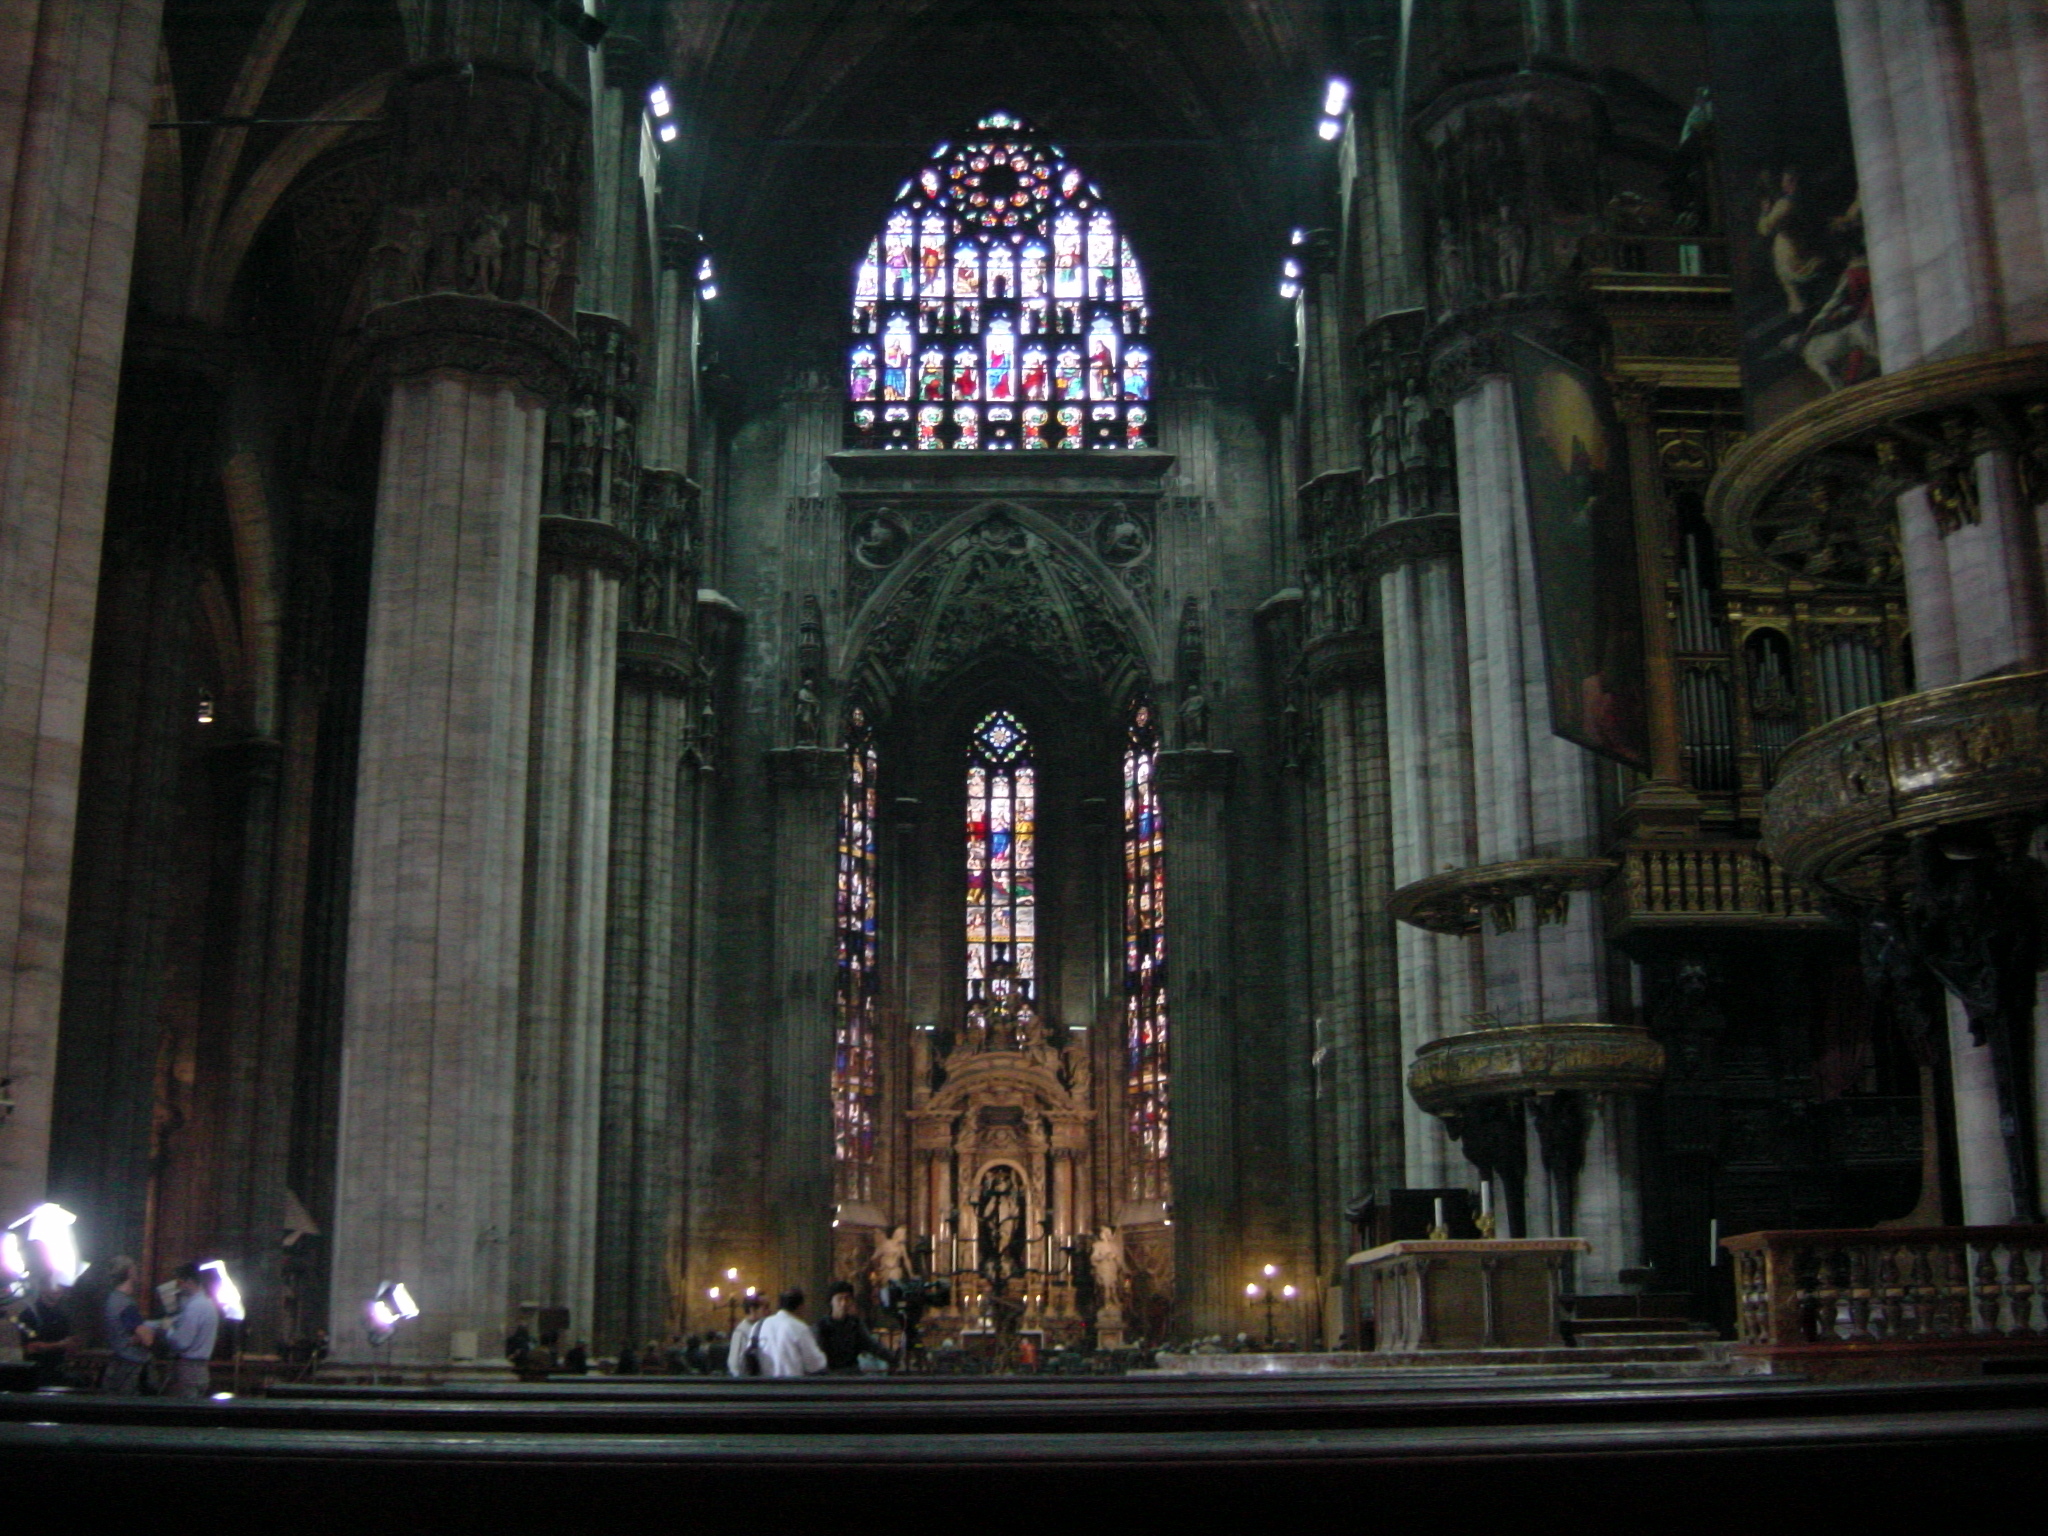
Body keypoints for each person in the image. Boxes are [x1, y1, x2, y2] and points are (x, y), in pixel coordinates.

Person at [157, 1260, 221, 1399]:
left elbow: (182, 1342)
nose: (178, 1286)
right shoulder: (207, 1303)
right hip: (201, 1369)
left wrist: (168, 1330)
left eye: (180, 1281)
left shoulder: (195, 1307)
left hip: (189, 1370)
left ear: (190, 1281)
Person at [100, 1257, 152, 1394]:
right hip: (130, 1368)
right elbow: (148, 1340)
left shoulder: (112, 1299)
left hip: (117, 1364)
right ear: (130, 1272)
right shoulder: (126, 1305)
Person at [815, 1281, 890, 1373]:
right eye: (839, 1299)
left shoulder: (855, 1324)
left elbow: (872, 1345)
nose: (843, 1303)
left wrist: (891, 1358)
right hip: (831, 1377)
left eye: (847, 1299)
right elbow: (818, 1357)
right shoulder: (821, 1326)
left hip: (852, 1375)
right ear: (831, 1301)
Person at [751, 1288, 827, 1378]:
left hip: (761, 1387)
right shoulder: (799, 1328)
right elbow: (815, 1365)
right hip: (791, 1387)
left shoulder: (758, 1326)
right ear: (800, 1307)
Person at [16, 1269, 73, 1387]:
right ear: (43, 1288)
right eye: (53, 1286)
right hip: (36, 1374)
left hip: (58, 1371)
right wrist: (59, 1345)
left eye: (60, 1286)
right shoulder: (27, 1315)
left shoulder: (61, 1315)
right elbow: (30, 1347)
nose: (58, 1290)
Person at [726, 1291, 770, 1377]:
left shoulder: (764, 1327)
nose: (769, 1311)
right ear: (752, 1310)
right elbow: (735, 1364)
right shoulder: (741, 1332)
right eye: (766, 1307)